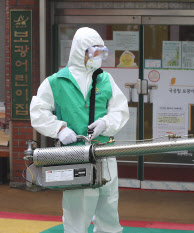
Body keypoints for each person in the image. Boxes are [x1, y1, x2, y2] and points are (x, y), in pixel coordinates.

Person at [30, 27, 129, 233]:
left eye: (102, 52)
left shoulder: (104, 79)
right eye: (94, 52)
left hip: (105, 153)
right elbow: (38, 113)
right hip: (75, 156)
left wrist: (106, 123)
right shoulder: (56, 82)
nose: (98, 58)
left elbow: (120, 110)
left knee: (109, 209)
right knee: (77, 214)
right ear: (80, 51)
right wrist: (59, 129)